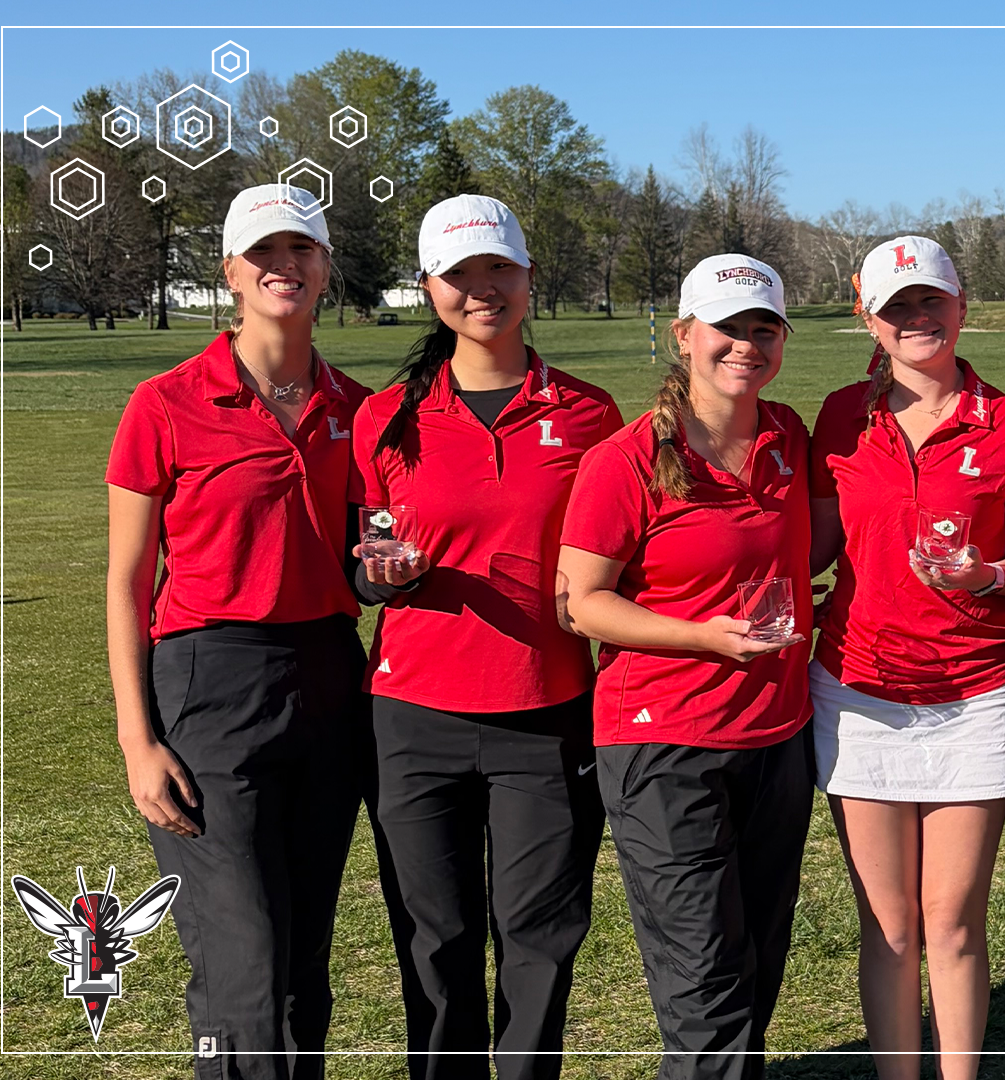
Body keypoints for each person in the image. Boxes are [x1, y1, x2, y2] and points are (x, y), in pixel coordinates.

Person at [351, 195, 622, 1080]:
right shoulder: (386, 414)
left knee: (540, 933)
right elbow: (361, 562)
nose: (482, 290)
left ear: (528, 278)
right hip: (411, 717)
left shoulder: (589, 413)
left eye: (498, 269)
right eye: (459, 275)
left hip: (545, 711)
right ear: (429, 287)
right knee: (437, 935)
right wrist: (382, 575)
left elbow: (622, 558)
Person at [107, 184, 370, 1079]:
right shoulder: (165, 402)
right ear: (229, 274)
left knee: (302, 956)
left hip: (332, 678)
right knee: (242, 956)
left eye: (301, 250)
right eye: (262, 253)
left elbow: (374, 555)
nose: (282, 267)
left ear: (325, 269)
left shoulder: (357, 407)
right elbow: (127, 582)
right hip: (207, 681)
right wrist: (138, 738)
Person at [557, 254, 812, 1080]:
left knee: (758, 959)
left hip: (776, 733)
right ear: (683, 335)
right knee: (703, 983)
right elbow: (582, 602)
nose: (745, 344)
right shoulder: (624, 458)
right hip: (664, 741)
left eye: (762, 328)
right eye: (727, 327)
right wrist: (703, 636)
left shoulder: (787, 436)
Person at [807, 236, 1005, 1080]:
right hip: (859, 694)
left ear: (961, 304)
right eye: (897, 305)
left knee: (951, 921)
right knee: (891, 926)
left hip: (974, 693)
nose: (917, 318)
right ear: (868, 318)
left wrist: (990, 575)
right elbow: (814, 546)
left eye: (931, 300)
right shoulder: (840, 416)